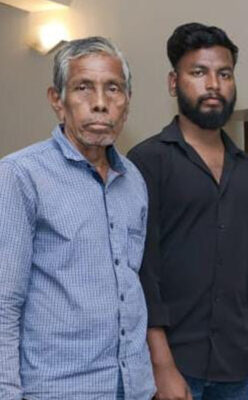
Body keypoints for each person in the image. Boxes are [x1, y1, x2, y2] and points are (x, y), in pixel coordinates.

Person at [128, 23, 248, 400]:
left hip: (240, 368)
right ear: (173, 82)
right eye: (199, 72)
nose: (213, 84)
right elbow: (142, 274)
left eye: (224, 74)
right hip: (173, 366)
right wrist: (161, 366)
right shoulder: (147, 162)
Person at [0, 36, 155, 400]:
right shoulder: (21, 175)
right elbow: (4, 302)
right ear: (57, 100)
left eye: (113, 89)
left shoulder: (133, 179)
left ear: (127, 101)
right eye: (83, 87)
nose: (100, 103)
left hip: (133, 387)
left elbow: (132, 285)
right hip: (60, 389)